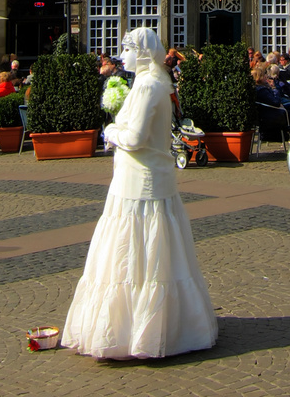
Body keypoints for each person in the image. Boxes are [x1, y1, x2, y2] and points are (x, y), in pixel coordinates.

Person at [62, 27, 217, 359]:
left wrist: (110, 130)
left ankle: (136, 329)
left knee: (136, 251)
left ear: (143, 53)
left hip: (140, 182)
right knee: (152, 252)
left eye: (128, 48)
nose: (123, 54)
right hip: (142, 179)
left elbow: (134, 138)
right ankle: (157, 324)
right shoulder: (155, 83)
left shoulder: (148, 85)